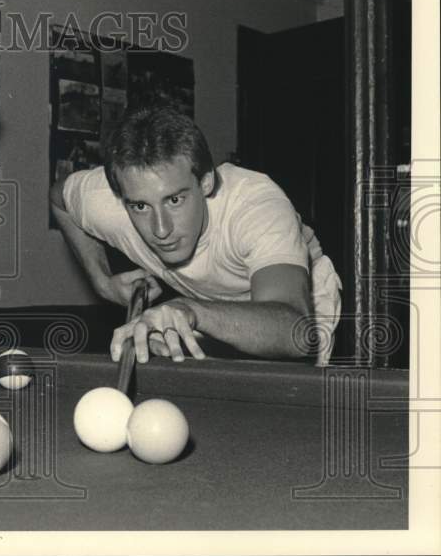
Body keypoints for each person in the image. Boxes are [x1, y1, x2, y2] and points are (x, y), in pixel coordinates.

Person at [50, 105, 342, 366]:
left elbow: (296, 332)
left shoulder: (255, 206)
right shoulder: (105, 201)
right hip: (201, 306)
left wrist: (188, 309)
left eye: (175, 200)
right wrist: (102, 282)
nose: (161, 230)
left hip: (295, 304)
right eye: (140, 206)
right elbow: (58, 198)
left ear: (205, 182)